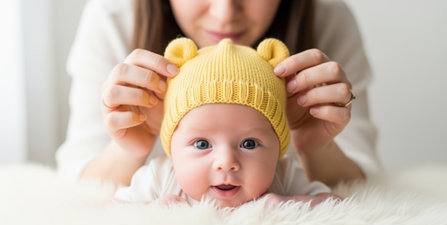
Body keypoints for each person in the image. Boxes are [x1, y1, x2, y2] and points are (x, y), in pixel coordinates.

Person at [57, 0, 379, 187]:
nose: (225, 13)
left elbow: (366, 183)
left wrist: (317, 148)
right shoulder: (115, 19)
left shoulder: (327, 20)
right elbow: (78, 181)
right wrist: (128, 148)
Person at [114, 37, 337, 208]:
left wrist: (291, 205)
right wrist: (151, 212)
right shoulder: (161, 176)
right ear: (171, 146)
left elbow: (336, 205)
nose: (226, 162)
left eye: (249, 143)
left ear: (278, 146)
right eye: (202, 144)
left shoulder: (284, 175)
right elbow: (112, 214)